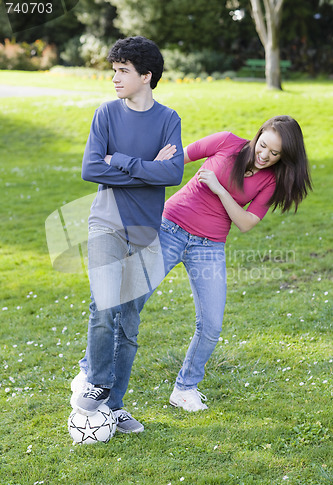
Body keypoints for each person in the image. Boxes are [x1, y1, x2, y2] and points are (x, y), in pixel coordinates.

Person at [154, 115, 312, 411]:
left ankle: (185, 388)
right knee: (130, 301)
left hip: (210, 246)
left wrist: (219, 188)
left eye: (275, 153)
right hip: (170, 228)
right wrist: (151, 168)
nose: (264, 156)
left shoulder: (271, 180)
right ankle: (94, 373)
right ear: (259, 133)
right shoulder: (226, 142)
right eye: (263, 146)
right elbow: (178, 158)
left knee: (212, 325)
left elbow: (246, 222)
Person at [70, 36, 184, 433]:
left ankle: (115, 406)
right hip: (106, 222)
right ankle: (97, 383)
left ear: (146, 76)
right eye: (114, 70)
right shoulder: (106, 114)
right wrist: (146, 168)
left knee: (129, 324)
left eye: (123, 72)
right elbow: (90, 169)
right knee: (103, 306)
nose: (115, 78)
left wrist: (119, 161)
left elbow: (173, 174)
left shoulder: (169, 119)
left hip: (146, 232)